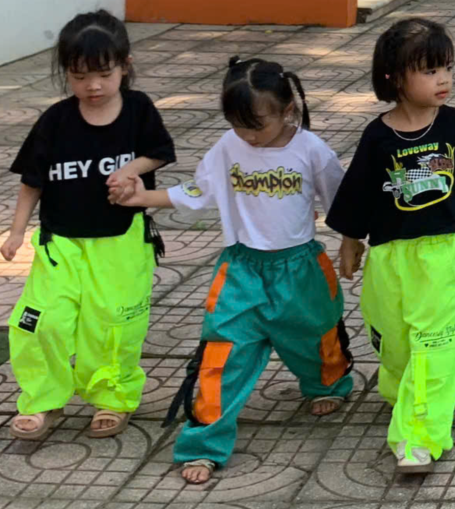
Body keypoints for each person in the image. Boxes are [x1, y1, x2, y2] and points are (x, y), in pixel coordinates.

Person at [109, 57, 353, 485]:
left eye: (256, 125)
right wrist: (142, 199)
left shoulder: (311, 150)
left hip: (300, 268)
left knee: (315, 335)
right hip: (240, 269)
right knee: (222, 353)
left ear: (287, 110)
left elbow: (342, 201)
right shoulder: (228, 147)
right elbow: (200, 190)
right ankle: (204, 443)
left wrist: (352, 241)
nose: (247, 135)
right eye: (237, 125)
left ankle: (328, 384)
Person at [327, 17, 455, 474]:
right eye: (429, 71)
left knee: (435, 342)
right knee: (395, 340)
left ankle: (418, 434)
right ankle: (404, 392)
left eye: (447, 67)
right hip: (390, 256)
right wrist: (350, 241)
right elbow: (358, 192)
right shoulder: (377, 136)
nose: (443, 79)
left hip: (442, 252)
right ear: (395, 78)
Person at [0, 10, 175, 441]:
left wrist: (131, 169)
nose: (93, 86)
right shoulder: (55, 121)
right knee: (41, 320)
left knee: (112, 324)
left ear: (125, 66)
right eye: (79, 77)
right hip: (61, 242)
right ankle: (42, 399)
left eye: (103, 74)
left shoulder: (138, 109)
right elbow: (32, 181)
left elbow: (160, 151)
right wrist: (17, 231)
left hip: (120, 242)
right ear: (66, 74)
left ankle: (111, 397)